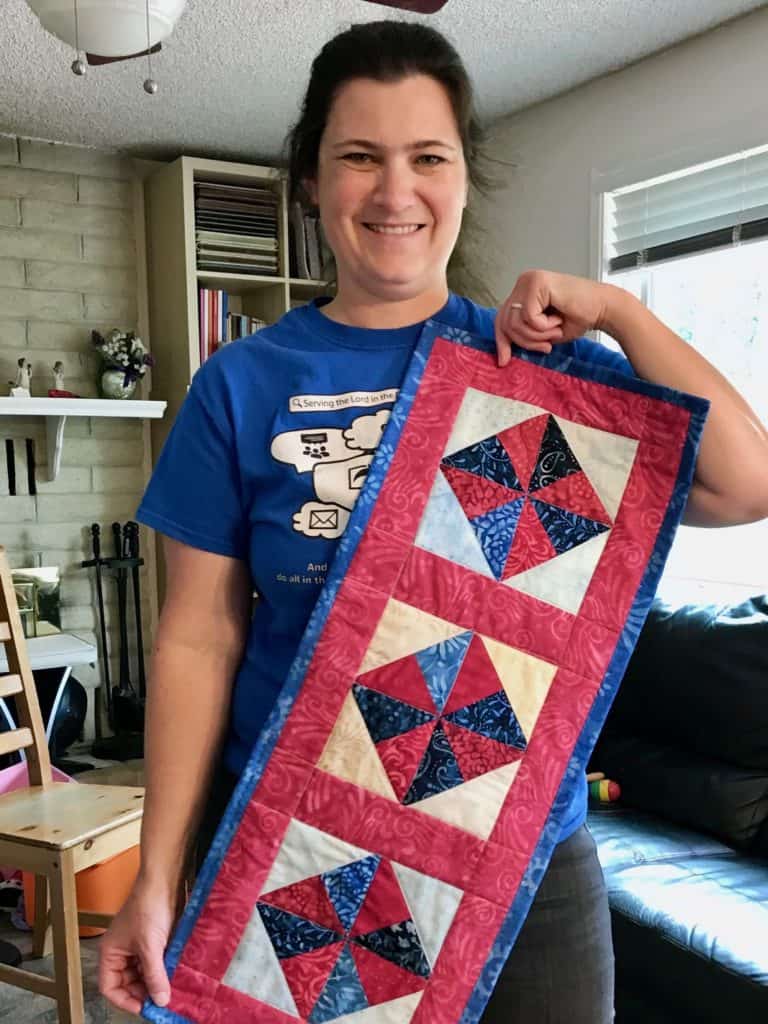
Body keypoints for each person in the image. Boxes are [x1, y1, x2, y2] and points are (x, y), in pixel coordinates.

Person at [99, 20, 768, 1023]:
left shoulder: (536, 378)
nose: (395, 190)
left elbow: (744, 483)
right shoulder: (239, 387)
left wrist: (620, 315)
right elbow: (198, 636)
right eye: (359, 157)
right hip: (307, 845)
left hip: (522, 856)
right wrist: (154, 876)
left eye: (428, 157)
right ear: (312, 182)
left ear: (464, 177)